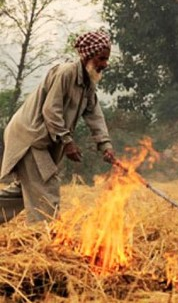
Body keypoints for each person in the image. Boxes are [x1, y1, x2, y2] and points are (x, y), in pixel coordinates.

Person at [0, 30, 116, 224]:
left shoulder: (89, 82)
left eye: (106, 59)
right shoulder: (65, 73)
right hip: (31, 137)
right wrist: (67, 141)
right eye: (101, 58)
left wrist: (106, 145)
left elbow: (95, 115)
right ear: (87, 55)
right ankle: (43, 237)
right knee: (47, 186)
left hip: (39, 139)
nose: (105, 64)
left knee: (26, 191)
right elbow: (50, 111)